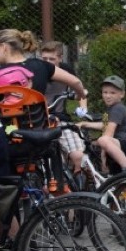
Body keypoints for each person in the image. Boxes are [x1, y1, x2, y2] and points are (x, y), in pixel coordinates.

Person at [0, 30, 88, 251]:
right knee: (7, 200)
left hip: (7, 143)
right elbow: (75, 82)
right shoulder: (41, 66)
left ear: (3, 47)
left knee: (4, 199)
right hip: (33, 142)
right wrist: (81, 98)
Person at [39, 41, 89, 180]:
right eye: (44, 59)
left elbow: (80, 90)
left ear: (60, 58)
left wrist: (83, 107)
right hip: (41, 120)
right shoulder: (37, 71)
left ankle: (81, 183)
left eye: (52, 59)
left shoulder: (66, 70)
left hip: (60, 118)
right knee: (51, 160)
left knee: (78, 156)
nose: (47, 62)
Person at [76, 76, 126, 172]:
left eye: (112, 93)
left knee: (102, 140)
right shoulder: (110, 108)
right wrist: (84, 123)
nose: (108, 96)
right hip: (114, 146)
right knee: (118, 181)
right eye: (105, 92)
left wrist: (103, 156)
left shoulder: (117, 108)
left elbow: (108, 134)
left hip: (121, 145)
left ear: (122, 94)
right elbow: (105, 125)